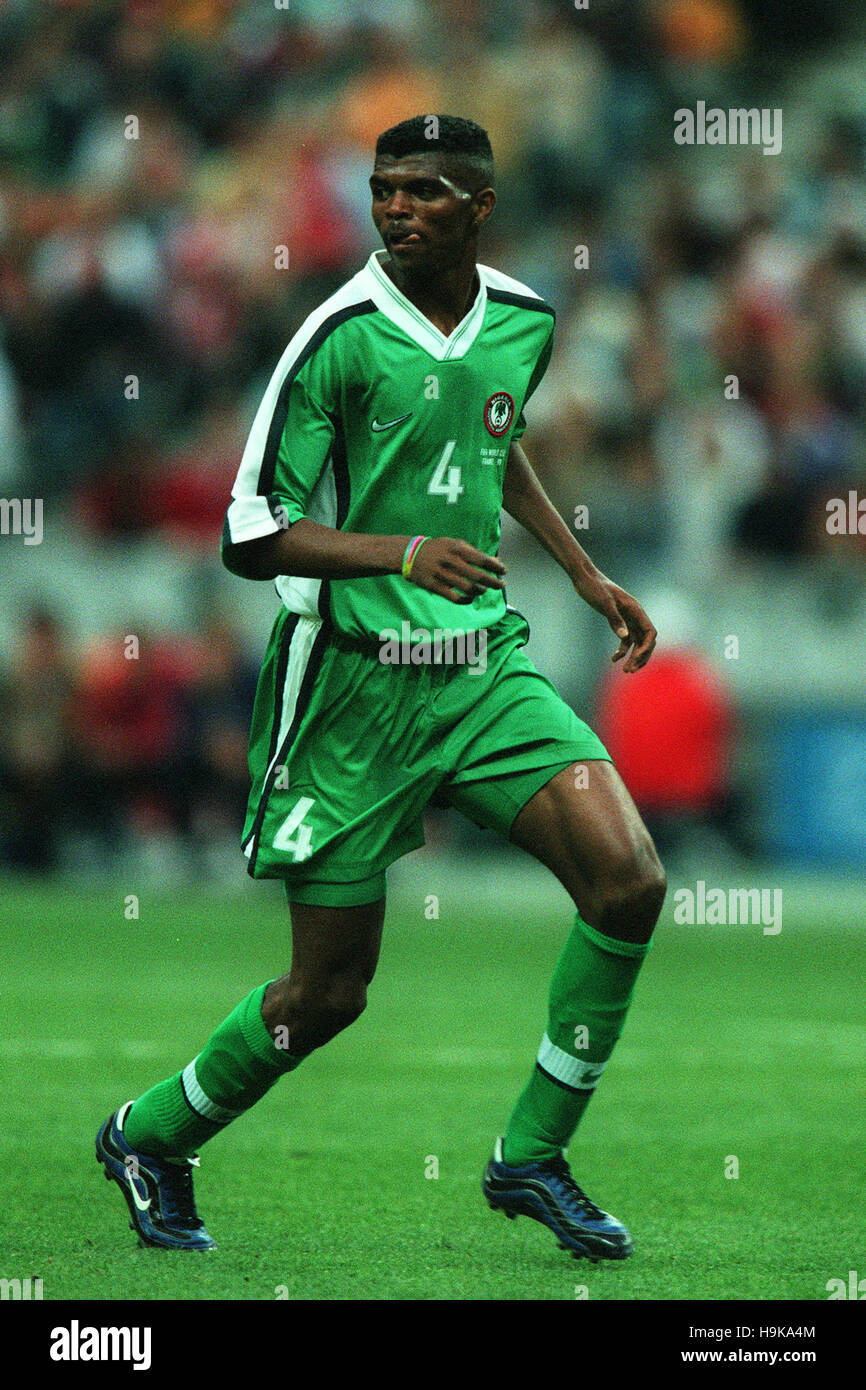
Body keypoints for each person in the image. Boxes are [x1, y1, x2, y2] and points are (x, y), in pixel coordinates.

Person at [97, 116, 666, 1263]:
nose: (394, 206)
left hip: (476, 667)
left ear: (479, 207)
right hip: (350, 688)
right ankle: (151, 1136)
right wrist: (400, 554)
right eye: (381, 188)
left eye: (421, 191)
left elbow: (488, 440)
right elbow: (248, 532)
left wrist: (581, 570)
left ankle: (531, 1156)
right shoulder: (337, 336)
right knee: (329, 992)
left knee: (628, 883)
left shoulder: (524, 321)